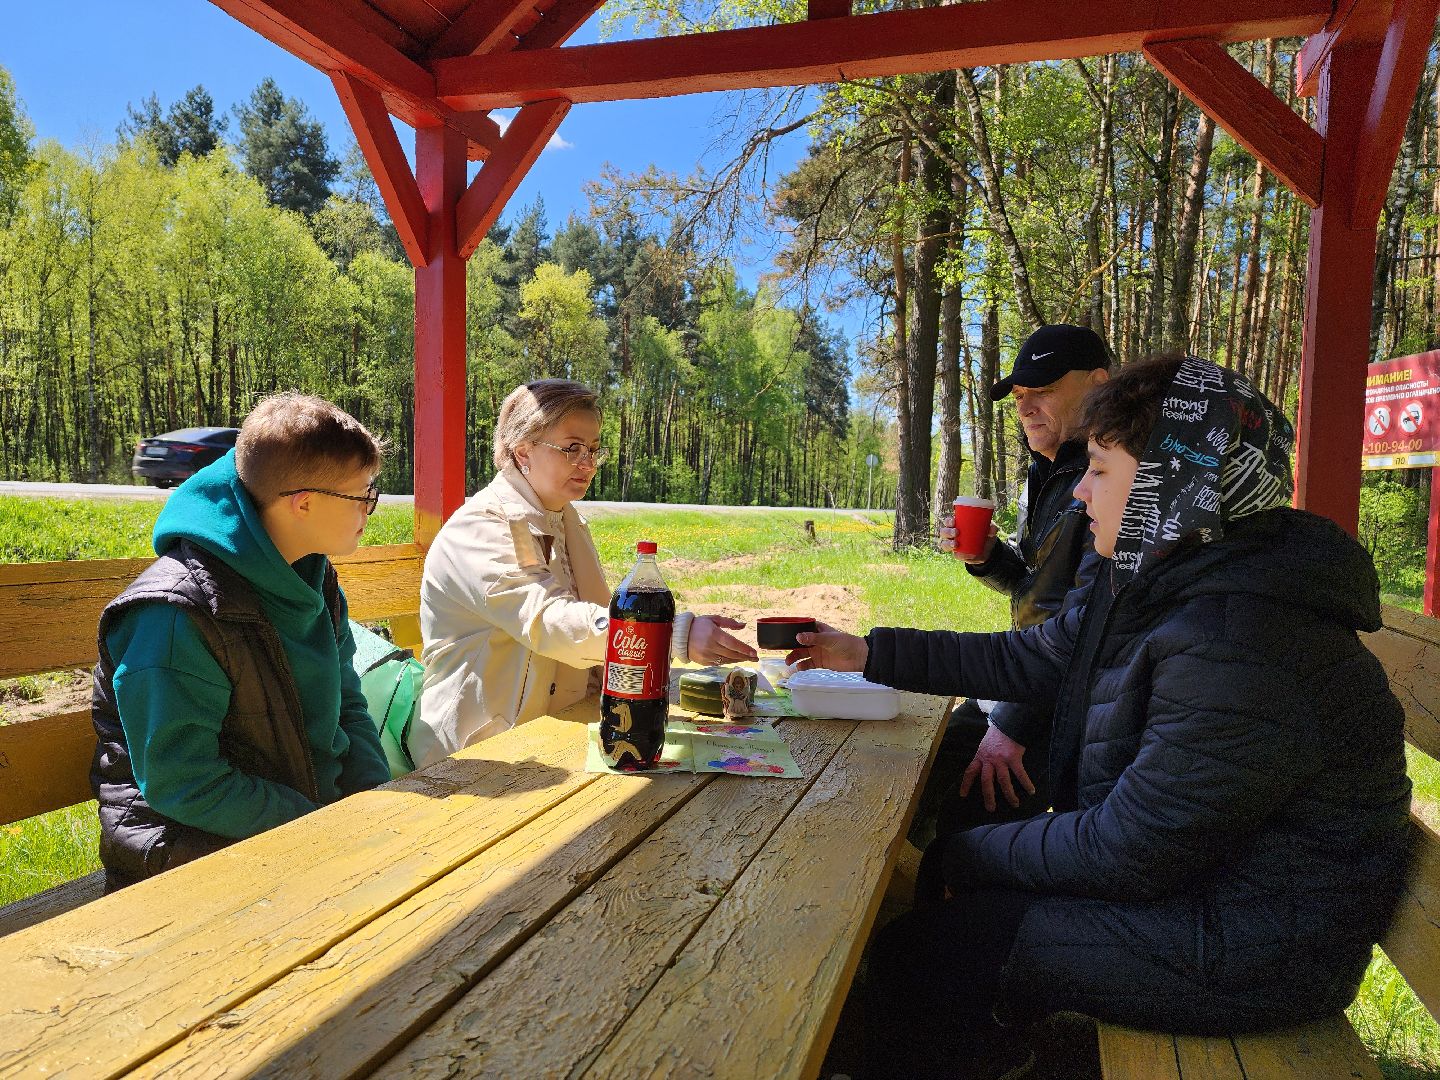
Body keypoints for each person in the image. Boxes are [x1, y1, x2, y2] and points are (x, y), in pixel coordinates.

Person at [791, 355, 1412, 1077]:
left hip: (1255, 944)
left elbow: (1129, 852)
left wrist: (959, 855)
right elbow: (1035, 660)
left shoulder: (1244, 639)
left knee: (922, 950)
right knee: (949, 899)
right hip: (1204, 887)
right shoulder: (1164, 574)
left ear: (1173, 489)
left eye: (1104, 472)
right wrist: (866, 651)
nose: (1082, 493)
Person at [91, 394, 394, 891]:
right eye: (363, 495)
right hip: (189, 855)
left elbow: (348, 705)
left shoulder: (313, 579)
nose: (369, 508)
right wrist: (323, 827)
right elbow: (183, 783)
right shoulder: (175, 614)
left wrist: (375, 801)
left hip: (298, 830)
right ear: (305, 503)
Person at [412, 379, 756, 768]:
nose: (588, 463)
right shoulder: (482, 527)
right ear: (522, 451)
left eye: (593, 449)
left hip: (555, 734)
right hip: (478, 757)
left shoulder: (564, 519)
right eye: (572, 448)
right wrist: (669, 634)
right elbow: (547, 620)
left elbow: (591, 625)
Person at [918, 323, 1110, 845]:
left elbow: (1092, 620)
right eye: (1020, 395)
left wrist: (1013, 725)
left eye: (1043, 390)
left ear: (1098, 384)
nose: (1025, 406)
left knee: (961, 798)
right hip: (1032, 674)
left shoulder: (1112, 475)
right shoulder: (1045, 474)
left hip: (1074, 698)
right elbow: (1036, 588)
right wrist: (985, 558)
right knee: (918, 762)